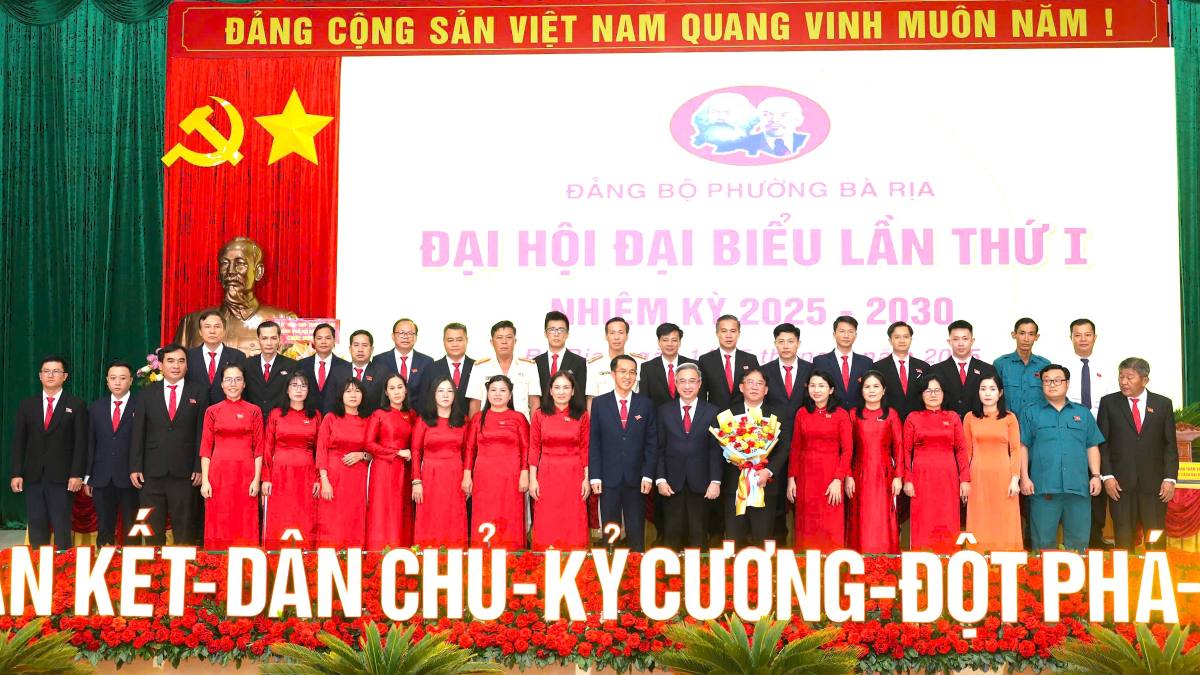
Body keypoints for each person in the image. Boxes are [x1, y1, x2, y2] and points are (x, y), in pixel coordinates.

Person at [1019, 364, 1104, 552]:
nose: (1052, 384)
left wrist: (1096, 476)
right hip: (1043, 488)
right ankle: (1040, 581)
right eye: (1047, 381)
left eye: (1057, 380)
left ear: (1067, 384)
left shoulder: (1082, 413)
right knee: (1042, 544)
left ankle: (1078, 581)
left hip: (1078, 488)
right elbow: (1023, 446)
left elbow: (1092, 445)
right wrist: (1024, 477)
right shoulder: (1031, 412)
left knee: (1078, 544)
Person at [130, 344, 208, 546]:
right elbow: (138, 432)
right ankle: (156, 572)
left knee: (185, 529)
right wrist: (135, 467)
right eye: (170, 361)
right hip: (151, 472)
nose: (176, 366)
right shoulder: (147, 394)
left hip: (185, 474)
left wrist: (199, 467)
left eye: (181, 361)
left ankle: (185, 573)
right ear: (161, 365)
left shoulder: (199, 392)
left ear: (187, 366)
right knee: (152, 529)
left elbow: (202, 433)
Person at [1098, 358, 1178, 551]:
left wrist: (1170, 479)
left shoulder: (1163, 404)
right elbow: (1103, 443)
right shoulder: (1109, 403)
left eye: (1129, 377)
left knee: (1155, 535)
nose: (1123, 381)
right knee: (1124, 536)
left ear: (1145, 380)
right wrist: (1107, 476)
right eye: (1121, 376)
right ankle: (1127, 577)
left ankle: (1156, 577)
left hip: (1155, 484)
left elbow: (1169, 445)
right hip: (1120, 485)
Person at [10, 355, 87, 548]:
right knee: (36, 524)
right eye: (46, 371)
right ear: (39, 376)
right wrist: (16, 473)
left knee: (62, 526)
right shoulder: (28, 405)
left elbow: (81, 443)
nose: (51, 375)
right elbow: (19, 441)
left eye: (56, 371)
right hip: (33, 477)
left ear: (65, 376)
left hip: (63, 478)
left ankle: (63, 570)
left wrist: (77, 474)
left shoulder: (76, 404)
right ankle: (38, 567)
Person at [174, 237, 298, 352]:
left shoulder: (285, 320)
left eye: (240, 263)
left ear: (258, 272)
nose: (231, 271)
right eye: (225, 264)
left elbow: (295, 369)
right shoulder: (191, 322)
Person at [589, 355, 658, 552]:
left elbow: (651, 443)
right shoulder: (600, 403)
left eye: (632, 372)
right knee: (610, 532)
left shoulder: (645, 404)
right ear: (613, 374)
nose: (627, 376)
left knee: (636, 531)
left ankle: (636, 575)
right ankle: (609, 568)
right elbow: (595, 442)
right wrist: (595, 476)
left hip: (636, 479)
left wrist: (647, 474)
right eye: (623, 371)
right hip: (608, 478)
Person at [1061, 319, 1117, 549]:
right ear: (1071, 337)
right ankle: (1071, 538)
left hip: (1101, 435)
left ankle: (1096, 535)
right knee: (1073, 484)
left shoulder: (1108, 366)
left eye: (1087, 334)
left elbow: (1114, 402)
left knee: (1098, 483)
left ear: (1095, 337)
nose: (1083, 339)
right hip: (1071, 436)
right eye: (1077, 335)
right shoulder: (1061, 367)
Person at [655, 363, 721, 549]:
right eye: (682, 381)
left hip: (702, 483)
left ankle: (701, 576)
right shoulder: (663, 411)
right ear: (675, 384)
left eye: (692, 381)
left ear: (699, 384)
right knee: (671, 534)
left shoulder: (712, 411)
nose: (687, 386)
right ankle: (671, 577)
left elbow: (715, 450)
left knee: (698, 534)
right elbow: (659, 449)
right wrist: (660, 479)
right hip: (671, 483)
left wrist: (715, 481)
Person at [902, 374, 970, 554]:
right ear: (921, 395)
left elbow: (961, 450)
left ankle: (948, 562)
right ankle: (921, 564)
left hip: (948, 478)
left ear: (943, 393)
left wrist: (965, 479)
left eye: (937, 390)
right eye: (928, 390)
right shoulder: (913, 418)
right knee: (923, 519)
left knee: (948, 518)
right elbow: (906, 452)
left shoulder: (953, 417)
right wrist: (907, 480)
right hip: (921, 478)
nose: (933, 394)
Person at [199, 363, 264, 550]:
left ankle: (247, 570)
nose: (233, 384)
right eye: (228, 379)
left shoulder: (254, 411)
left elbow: (259, 449)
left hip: (246, 475)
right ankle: (215, 566)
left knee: (245, 520)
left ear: (244, 384)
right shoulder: (212, 411)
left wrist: (256, 480)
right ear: (221, 384)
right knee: (219, 518)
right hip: (218, 475)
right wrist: (205, 481)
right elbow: (206, 448)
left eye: (238, 379)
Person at [787, 370, 852, 551]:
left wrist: (838, 479)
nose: (816, 390)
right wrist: (791, 478)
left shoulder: (841, 414)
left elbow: (847, 450)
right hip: (806, 477)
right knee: (807, 524)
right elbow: (796, 447)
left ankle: (833, 569)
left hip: (831, 476)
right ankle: (806, 571)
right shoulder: (802, 413)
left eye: (821, 386)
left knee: (831, 524)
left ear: (831, 390)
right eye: (813, 386)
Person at [464, 375, 530, 549]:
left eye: (503, 390)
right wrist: (467, 475)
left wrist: (525, 473)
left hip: (511, 476)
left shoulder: (518, 418)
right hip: (484, 477)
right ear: (487, 393)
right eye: (493, 390)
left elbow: (526, 448)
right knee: (485, 514)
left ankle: (513, 559)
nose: (497, 394)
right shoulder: (478, 418)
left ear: (510, 395)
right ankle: (483, 558)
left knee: (510, 514)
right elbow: (470, 448)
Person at [528, 371, 591, 550]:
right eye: (557, 387)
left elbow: (585, 447)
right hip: (547, 473)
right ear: (550, 391)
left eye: (566, 387)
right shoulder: (540, 415)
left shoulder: (582, 415)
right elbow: (534, 448)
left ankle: (575, 560)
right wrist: (533, 479)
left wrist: (586, 478)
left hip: (574, 473)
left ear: (573, 392)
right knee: (548, 518)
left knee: (573, 518)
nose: (561, 392)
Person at [762, 323, 812, 541]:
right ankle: (778, 553)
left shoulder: (812, 370)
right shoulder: (765, 371)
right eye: (781, 341)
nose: (786, 346)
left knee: (806, 502)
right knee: (776, 506)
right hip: (774, 448)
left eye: (790, 341)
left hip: (807, 447)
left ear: (799, 343)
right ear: (775, 344)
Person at [963, 375, 1023, 553]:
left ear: (1000, 393)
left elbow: (1015, 449)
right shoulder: (970, 418)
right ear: (978, 392)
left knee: (1005, 519)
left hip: (1004, 477)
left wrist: (1015, 478)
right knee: (979, 520)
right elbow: (966, 451)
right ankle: (977, 562)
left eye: (992, 389)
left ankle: (1007, 563)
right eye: (983, 389)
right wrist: (964, 480)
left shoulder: (1009, 418)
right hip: (978, 477)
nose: (987, 393)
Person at [262, 372, 321, 549]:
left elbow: (320, 449)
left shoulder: (315, 415)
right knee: (279, 516)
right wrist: (266, 478)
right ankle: (274, 560)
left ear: (308, 391)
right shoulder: (276, 414)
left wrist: (318, 478)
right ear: (287, 390)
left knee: (305, 516)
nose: (299, 390)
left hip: (306, 475)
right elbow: (267, 447)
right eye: (294, 385)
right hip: (279, 474)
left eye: (303, 386)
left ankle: (307, 561)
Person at [846, 371, 902, 554]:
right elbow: (847, 449)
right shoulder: (853, 415)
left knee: (883, 518)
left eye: (876, 386)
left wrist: (899, 477)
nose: (871, 390)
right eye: (867, 387)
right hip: (859, 475)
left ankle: (886, 564)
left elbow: (899, 448)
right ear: (861, 391)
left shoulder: (892, 415)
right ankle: (858, 563)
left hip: (885, 475)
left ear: (884, 390)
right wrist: (848, 476)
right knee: (861, 519)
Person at [85, 360, 140, 547]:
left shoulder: (141, 405)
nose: (118, 382)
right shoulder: (95, 408)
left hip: (130, 477)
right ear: (107, 381)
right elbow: (90, 444)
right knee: (104, 526)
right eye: (113, 378)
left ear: (131, 381)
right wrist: (88, 477)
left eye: (123, 378)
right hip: (101, 478)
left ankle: (133, 565)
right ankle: (106, 566)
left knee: (132, 525)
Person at [412, 377, 469, 548]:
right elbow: (416, 451)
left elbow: (467, 452)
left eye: (450, 391)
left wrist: (468, 477)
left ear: (455, 396)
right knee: (430, 518)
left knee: (454, 518)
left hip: (455, 476)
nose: (445, 395)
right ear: (433, 395)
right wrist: (416, 480)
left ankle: (457, 563)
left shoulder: (463, 421)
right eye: (441, 391)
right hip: (430, 476)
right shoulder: (424, 420)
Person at [315, 378, 371, 549]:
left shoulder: (368, 421)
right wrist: (324, 479)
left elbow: (374, 452)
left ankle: (353, 565)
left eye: (357, 391)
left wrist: (362, 455)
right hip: (333, 477)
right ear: (341, 395)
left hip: (358, 480)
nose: (353, 395)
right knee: (332, 520)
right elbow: (321, 449)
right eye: (348, 391)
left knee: (355, 519)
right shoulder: (330, 418)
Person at [365, 373, 418, 550]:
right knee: (383, 511)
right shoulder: (379, 414)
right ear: (386, 393)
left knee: (402, 512)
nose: (396, 392)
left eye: (400, 387)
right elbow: (369, 444)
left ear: (406, 390)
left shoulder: (412, 414)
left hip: (405, 470)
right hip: (384, 468)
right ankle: (378, 558)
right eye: (392, 388)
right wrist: (396, 452)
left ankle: (402, 557)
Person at [465, 321, 541, 418]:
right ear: (492, 342)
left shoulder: (529, 366)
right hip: (488, 427)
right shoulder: (480, 367)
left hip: (521, 427)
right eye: (499, 338)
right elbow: (475, 404)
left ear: (515, 341)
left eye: (509, 337)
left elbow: (534, 403)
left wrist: (533, 431)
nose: (504, 342)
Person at [932, 320, 996, 417]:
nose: (960, 344)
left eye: (965, 339)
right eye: (956, 339)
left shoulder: (987, 369)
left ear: (972, 341)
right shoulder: (936, 370)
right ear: (949, 342)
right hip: (946, 427)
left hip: (978, 426)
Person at [698, 315, 760, 411]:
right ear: (717, 333)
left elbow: (758, 391)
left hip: (744, 418)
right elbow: (701, 395)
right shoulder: (705, 360)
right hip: (714, 417)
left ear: (738, 333)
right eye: (724, 331)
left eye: (733, 331)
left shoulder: (750, 359)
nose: (728, 335)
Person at [872, 321, 930, 421]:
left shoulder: (924, 367)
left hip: (918, 422)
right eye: (897, 337)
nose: (902, 340)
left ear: (911, 339)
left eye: (906, 337)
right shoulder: (878, 367)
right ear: (890, 340)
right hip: (887, 421)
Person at [812, 316, 872, 410]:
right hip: (830, 416)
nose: (846, 335)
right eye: (842, 331)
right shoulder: (820, 362)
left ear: (855, 335)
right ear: (834, 334)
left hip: (858, 417)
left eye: (850, 331)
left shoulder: (866, 362)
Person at [185, 310, 245, 405]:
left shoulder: (237, 356)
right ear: (200, 331)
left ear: (224, 331)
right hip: (195, 412)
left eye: (217, 326)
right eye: (207, 327)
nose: (212, 331)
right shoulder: (188, 356)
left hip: (227, 411)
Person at [992, 318, 1050, 415]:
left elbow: (1050, 396)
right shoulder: (1001, 364)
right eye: (1022, 333)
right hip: (1007, 423)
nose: (1026, 339)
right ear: (1014, 335)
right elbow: (992, 396)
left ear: (1036, 337)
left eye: (1031, 334)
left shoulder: (1045, 365)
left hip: (1036, 424)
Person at [243, 321, 298, 421]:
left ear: (279, 339)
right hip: (252, 421)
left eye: (273, 338)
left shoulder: (291, 365)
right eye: (264, 338)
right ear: (258, 340)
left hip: (281, 421)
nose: (269, 343)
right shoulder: (246, 365)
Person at [534, 311, 588, 411]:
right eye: (552, 330)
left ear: (567, 334)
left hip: (570, 418)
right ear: (545, 334)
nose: (556, 334)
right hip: (543, 419)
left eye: (561, 330)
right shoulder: (535, 363)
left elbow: (581, 397)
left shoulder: (579, 362)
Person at [586, 317, 646, 405]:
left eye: (620, 333)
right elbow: (591, 398)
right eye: (612, 333)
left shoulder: (640, 363)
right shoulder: (594, 364)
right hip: (604, 415)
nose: (616, 337)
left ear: (627, 336)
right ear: (606, 336)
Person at [640, 323, 698, 408]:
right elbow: (644, 399)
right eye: (665, 340)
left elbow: (700, 397)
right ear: (659, 342)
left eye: (674, 340)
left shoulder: (693, 365)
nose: (670, 344)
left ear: (679, 342)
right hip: (658, 419)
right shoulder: (647, 368)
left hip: (687, 418)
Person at [371, 318, 434, 396]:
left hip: (418, 408)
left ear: (415, 337)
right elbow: (377, 391)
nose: (405, 336)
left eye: (410, 333)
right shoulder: (379, 360)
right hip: (387, 407)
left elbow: (428, 392)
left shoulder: (427, 362)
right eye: (401, 333)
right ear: (393, 336)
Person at [298, 323, 351, 414]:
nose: (323, 342)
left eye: (327, 338)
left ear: (334, 340)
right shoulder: (301, 365)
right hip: (307, 419)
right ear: (313, 341)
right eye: (319, 338)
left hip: (335, 419)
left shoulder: (345, 366)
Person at [422, 323, 476, 410]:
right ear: (444, 341)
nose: (455, 344)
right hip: (438, 422)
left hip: (470, 422)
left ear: (467, 340)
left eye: (459, 340)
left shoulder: (477, 367)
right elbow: (424, 401)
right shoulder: (431, 369)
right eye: (450, 340)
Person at [740, 96, 810, 157]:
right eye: (766, 114)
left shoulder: (807, 141)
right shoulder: (745, 145)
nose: (775, 120)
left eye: (783, 115)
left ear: (797, 120)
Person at [691, 91, 756, 153]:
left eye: (727, 112)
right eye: (715, 112)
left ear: (742, 116)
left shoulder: (751, 146)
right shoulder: (697, 144)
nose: (720, 117)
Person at [346, 329, 384, 413]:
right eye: (356, 345)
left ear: (372, 349)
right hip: (343, 422)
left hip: (373, 422)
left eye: (364, 345)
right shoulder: (338, 372)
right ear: (350, 348)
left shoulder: (382, 373)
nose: (360, 349)